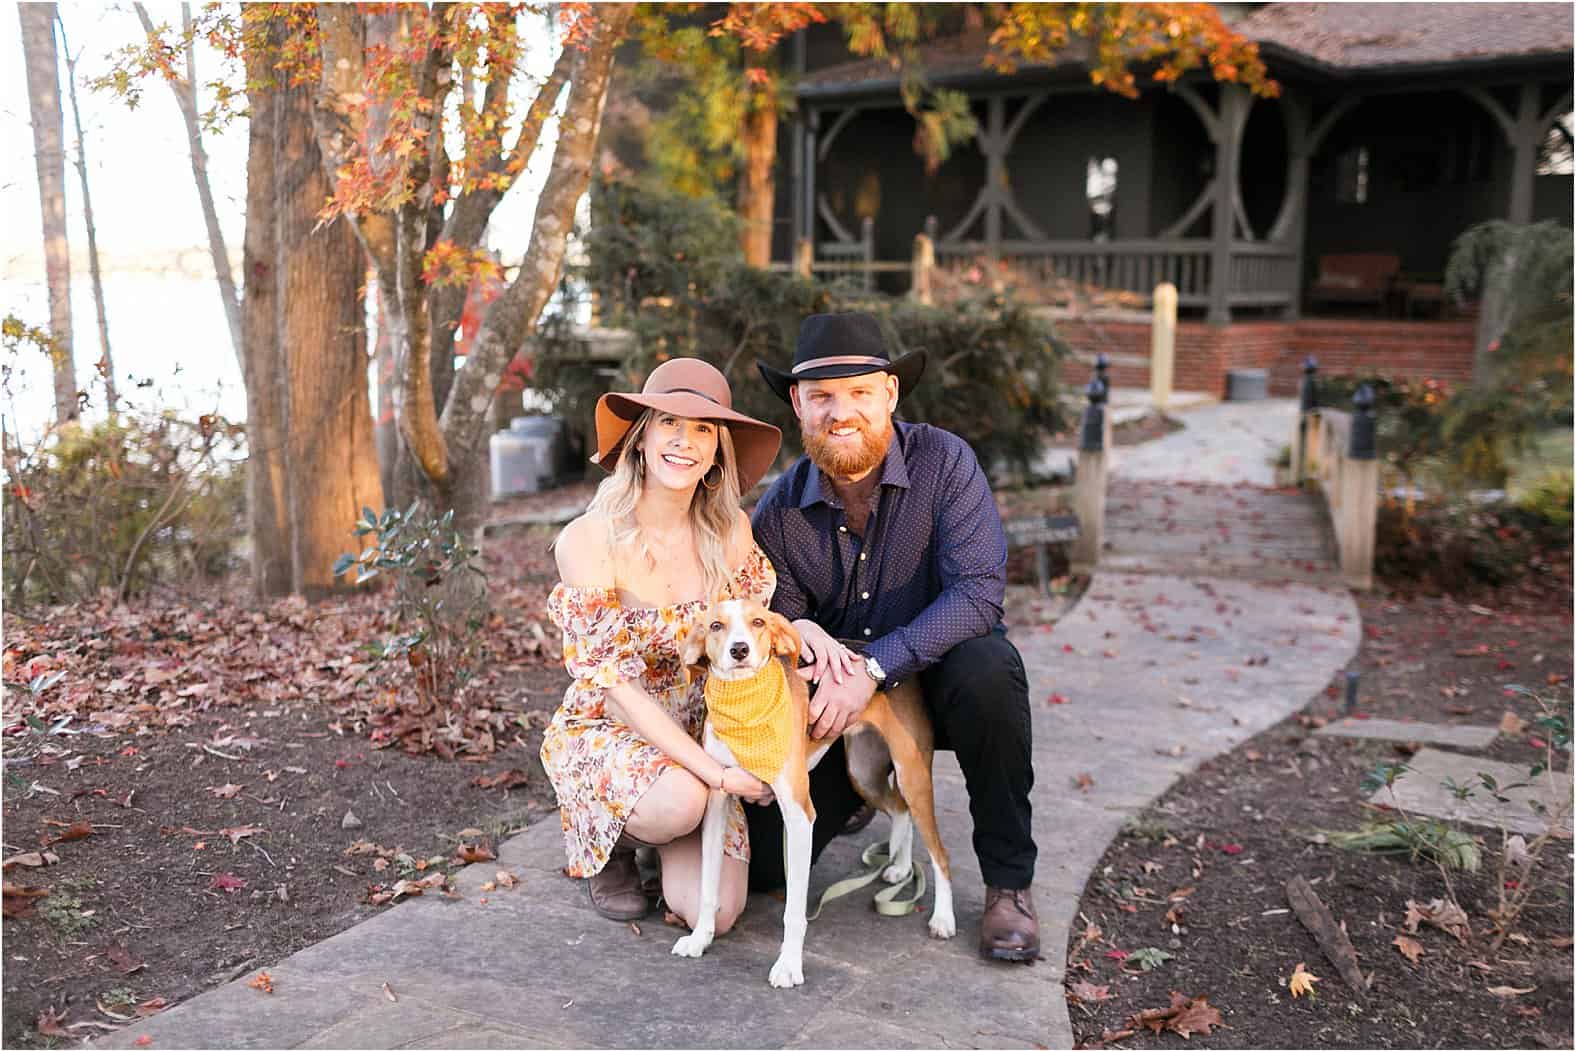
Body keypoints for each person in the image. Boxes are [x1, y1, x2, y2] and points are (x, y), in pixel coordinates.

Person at [747, 311, 1041, 961]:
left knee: (992, 670)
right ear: (797, 404)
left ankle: (1008, 884)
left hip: (942, 681)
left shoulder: (945, 464)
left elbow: (977, 593)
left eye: (858, 392)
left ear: (890, 394)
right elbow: (784, 627)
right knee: (757, 872)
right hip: (840, 714)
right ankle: (860, 793)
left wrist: (873, 668)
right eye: (821, 396)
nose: (840, 412)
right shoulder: (778, 512)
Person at [542, 358, 785, 928]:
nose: (685, 442)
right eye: (669, 423)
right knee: (682, 801)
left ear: (718, 450)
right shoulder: (589, 539)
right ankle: (613, 842)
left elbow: (751, 642)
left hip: (701, 732)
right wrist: (720, 776)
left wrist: (759, 747)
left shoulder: (729, 533)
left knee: (716, 915)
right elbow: (619, 689)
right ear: (641, 437)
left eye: (703, 428)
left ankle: (666, 829)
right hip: (614, 729)